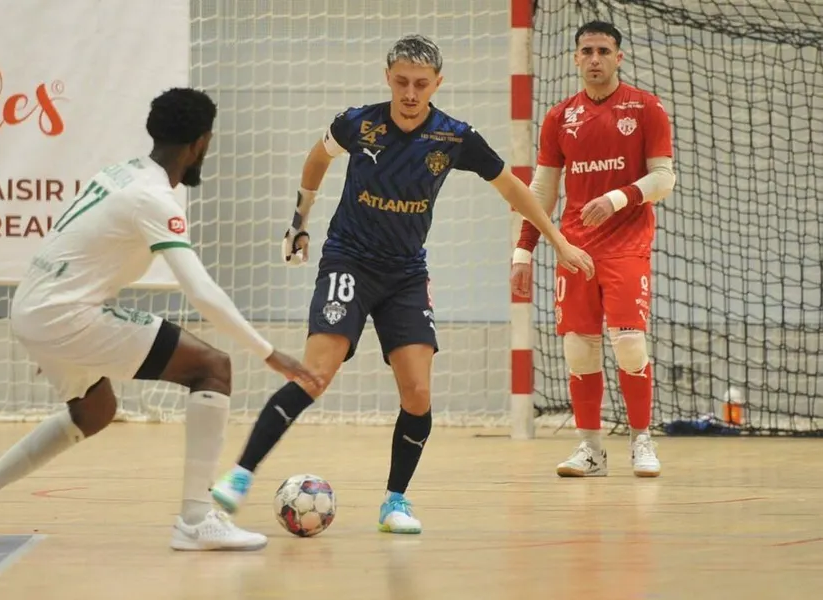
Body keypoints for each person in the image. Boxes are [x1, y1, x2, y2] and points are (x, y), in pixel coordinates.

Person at [210, 34, 594, 534]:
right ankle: (240, 475)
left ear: (438, 83)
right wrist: (299, 220)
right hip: (348, 262)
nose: (410, 93)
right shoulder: (358, 123)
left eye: (420, 84)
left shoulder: (455, 137)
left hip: (406, 274)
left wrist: (559, 242)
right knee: (314, 374)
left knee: (416, 392)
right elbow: (317, 159)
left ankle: (395, 503)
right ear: (387, 77)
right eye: (401, 82)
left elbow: (514, 189)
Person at [0, 87, 322, 552]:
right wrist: (268, 351)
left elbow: (75, 250)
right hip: (63, 315)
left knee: (94, 411)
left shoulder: (120, 173)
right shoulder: (154, 198)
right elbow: (200, 290)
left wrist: (50, 336)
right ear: (202, 143)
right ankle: (196, 521)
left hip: (34, 307)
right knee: (212, 368)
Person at [510, 21, 676, 478]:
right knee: (578, 350)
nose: (596, 58)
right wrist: (524, 251)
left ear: (619, 57)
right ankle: (591, 450)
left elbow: (664, 178)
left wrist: (618, 197)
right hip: (574, 249)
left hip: (627, 245)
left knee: (628, 342)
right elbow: (540, 190)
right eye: (587, 51)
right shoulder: (560, 117)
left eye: (604, 50)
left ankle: (642, 439)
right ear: (576, 58)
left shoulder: (646, 108)